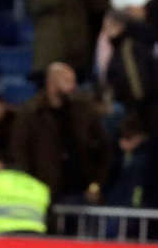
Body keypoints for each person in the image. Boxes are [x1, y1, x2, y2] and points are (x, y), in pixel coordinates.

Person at [8, 62, 109, 203]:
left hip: (81, 191)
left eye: (74, 81)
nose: (73, 86)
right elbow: (20, 153)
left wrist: (96, 183)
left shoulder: (84, 110)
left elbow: (101, 148)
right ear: (51, 83)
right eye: (67, 81)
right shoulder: (30, 113)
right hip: (44, 192)